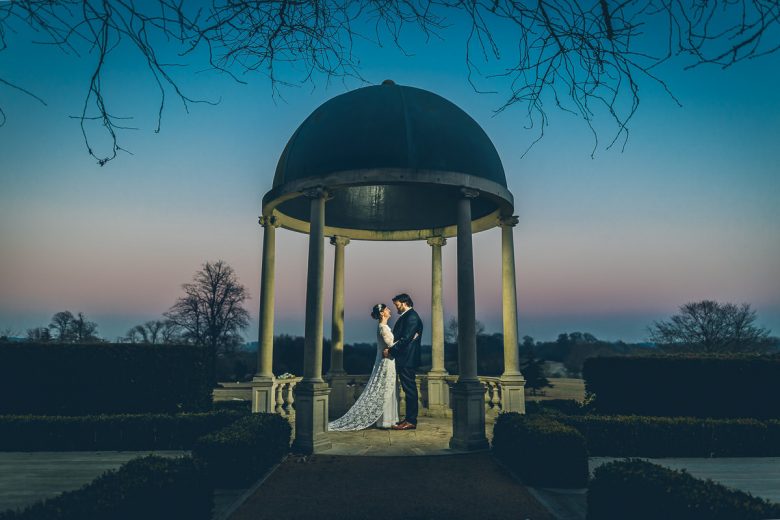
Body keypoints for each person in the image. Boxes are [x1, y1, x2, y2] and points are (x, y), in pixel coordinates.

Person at [328, 303, 399, 431]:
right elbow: (391, 345)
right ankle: (385, 421)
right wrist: (409, 339)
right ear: (382, 313)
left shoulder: (384, 327)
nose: (389, 310)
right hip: (386, 363)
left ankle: (388, 419)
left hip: (388, 361)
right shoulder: (383, 328)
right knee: (385, 390)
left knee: (387, 389)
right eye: (387, 309)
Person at [384, 293, 423, 430]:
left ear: (404, 303)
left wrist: (391, 351)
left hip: (408, 359)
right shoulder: (407, 316)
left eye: (397, 304)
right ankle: (408, 419)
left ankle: (411, 421)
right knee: (408, 390)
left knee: (410, 390)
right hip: (405, 358)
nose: (396, 308)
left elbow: (406, 339)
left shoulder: (412, 317)